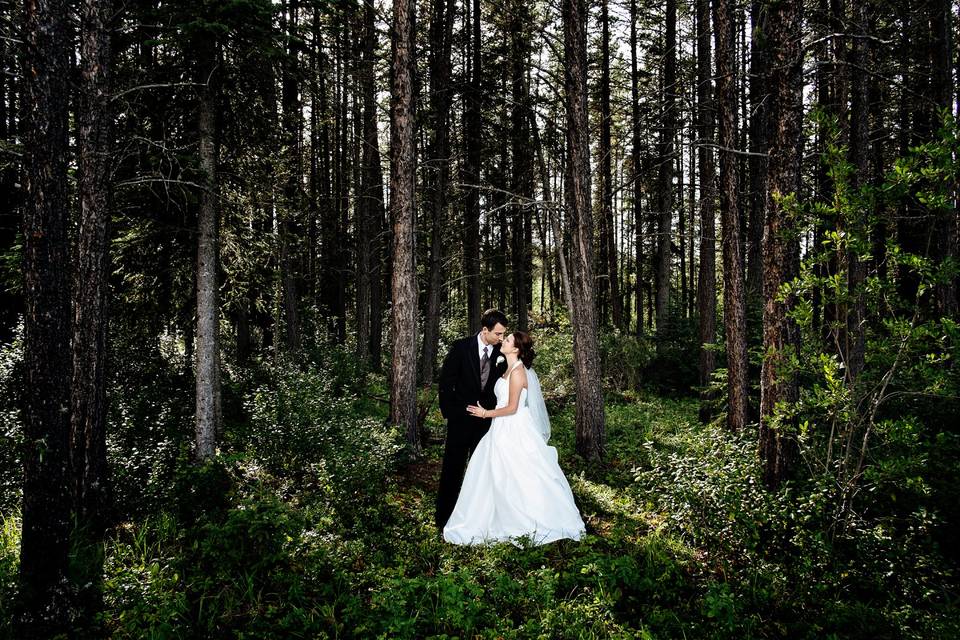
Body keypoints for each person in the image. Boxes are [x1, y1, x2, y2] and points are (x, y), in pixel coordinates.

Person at [443, 331, 586, 545]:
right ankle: (491, 516)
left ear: (516, 349)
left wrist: (486, 413)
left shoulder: (519, 372)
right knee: (492, 471)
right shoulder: (506, 367)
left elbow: (511, 408)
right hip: (500, 427)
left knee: (517, 472)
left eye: (508, 339)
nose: (504, 340)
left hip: (514, 427)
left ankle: (530, 519)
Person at [435, 309, 509, 530]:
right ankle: (443, 517)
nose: (501, 338)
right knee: (452, 468)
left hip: (486, 423)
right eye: (497, 333)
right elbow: (446, 382)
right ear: (484, 330)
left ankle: (477, 518)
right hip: (460, 420)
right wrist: (450, 412)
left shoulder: (502, 353)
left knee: (482, 471)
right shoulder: (461, 347)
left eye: (503, 334)